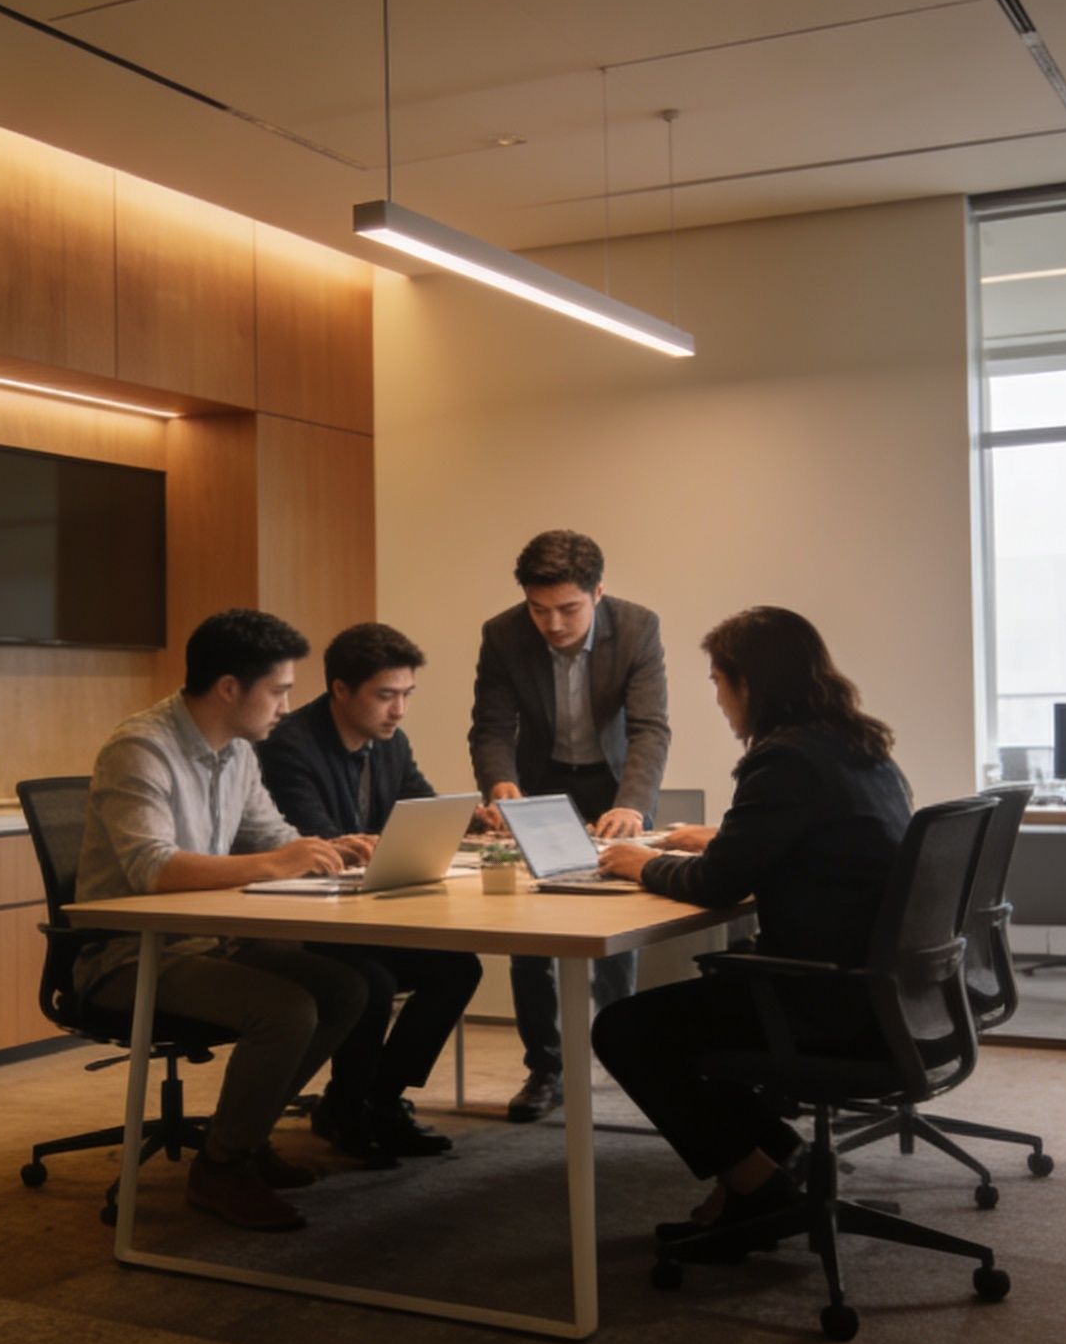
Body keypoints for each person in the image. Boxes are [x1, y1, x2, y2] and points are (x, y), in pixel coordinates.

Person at [590, 607, 914, 1241]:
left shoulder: (784, 760)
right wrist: (729, 836)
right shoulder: (856, 746)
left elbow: (715, 885)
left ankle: (755, 1184)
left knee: (627, 1029)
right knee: (677, 1020)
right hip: (882, 992)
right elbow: (822, 837)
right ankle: (782, 1154)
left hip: (824, 1001)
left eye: (717, 680)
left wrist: (640, 864)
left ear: (750, 684)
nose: (715, 697)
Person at [71, 609, 372, 1232]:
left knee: (348, 987)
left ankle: (247, 1134)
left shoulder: (237, 750)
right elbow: (152, 869)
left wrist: (331, 851)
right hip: (128, 955)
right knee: (287, 1010)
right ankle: (222, 1167)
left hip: (205, 942)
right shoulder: (139, 748)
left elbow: (273, 837)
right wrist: (279, 861)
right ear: (230, 688)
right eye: (279, 690)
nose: (287, 706)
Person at [467, 530, 670, 1122]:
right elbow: (491, 727)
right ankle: (545, 1069)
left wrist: (633, 804)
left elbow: (650, 728)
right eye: (539, 609)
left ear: (598, 592)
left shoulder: (637, 627)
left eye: (568, 609)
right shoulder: (503, 634)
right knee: (530, 932)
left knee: (614, 927)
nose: (552, 624)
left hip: (612, 785)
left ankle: (624, 1051)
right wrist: (500, 784)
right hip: (541, 784)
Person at [258, 622, 480, 1166]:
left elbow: (420, 807)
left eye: (406, 694)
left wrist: (472, 822)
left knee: (458, 968)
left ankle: (379, 1099)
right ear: (341, 690)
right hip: (300, 919)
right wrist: (374, 845)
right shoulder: (290, 745)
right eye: (386, 695)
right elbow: (318, 842)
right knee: (371, 981)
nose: (399, 710)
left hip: (361, 911)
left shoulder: (390, 743)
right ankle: (348, 1107)